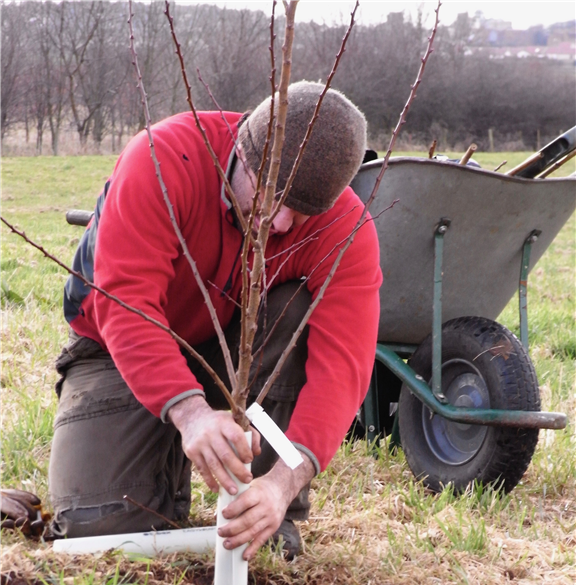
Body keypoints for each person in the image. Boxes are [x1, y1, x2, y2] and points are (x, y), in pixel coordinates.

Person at [48, 81, 381, 558]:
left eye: (302, 213)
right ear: (243, 156)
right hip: (114, 348)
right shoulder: (163, 161)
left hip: (231, 343)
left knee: (294, 310)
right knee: (103, 534)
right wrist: (191, 413)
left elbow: (341, 370)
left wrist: (284, 483)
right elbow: (126, 302)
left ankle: (263, 510)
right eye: (274, 197)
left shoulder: (346, 228)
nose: (282, 224)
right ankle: (161, 458)